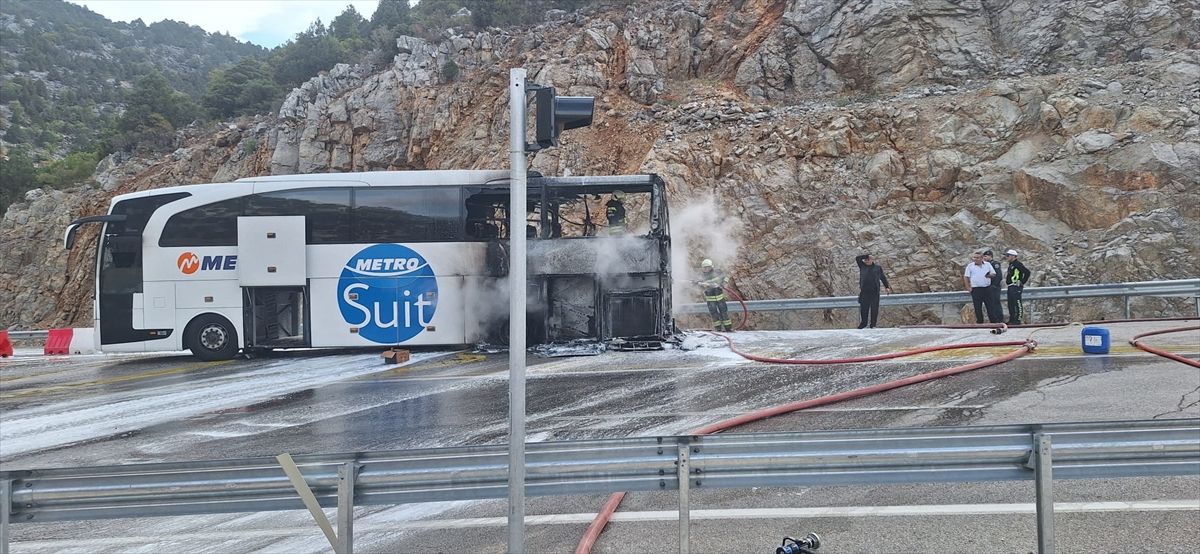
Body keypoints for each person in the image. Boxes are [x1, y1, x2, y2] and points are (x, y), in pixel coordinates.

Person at [855, 253, 892, 329]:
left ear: (872, 260)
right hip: (864, 292)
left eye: (868, 259)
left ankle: (873, 324)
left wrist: (887, 287)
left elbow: (882, 277)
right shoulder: (862, 266)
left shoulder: (877, 268)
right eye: (865, 260)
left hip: (875, 292)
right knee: (864, 308)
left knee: (874, 308)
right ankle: (864, 323)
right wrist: (866, 256)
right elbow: (857, 258)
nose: (866, 261)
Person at [697, 258, 732, 331]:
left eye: (707, 267)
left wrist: (724, 283)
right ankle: (718, 329)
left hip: (720, 298)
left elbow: (726, 276)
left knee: (724, 313)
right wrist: (703, 286)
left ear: (711, 266)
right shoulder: (702, 277)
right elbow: (698, 286)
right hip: (710, 300)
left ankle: (728, 328)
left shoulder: (717, 272)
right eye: (704, 268)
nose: (706, 269)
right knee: (714, 315)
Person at [963, 250, 996, 324]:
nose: (975, 259)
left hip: (987, 288)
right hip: (976, 289)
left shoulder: (987, 264)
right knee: (977, 307)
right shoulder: (970, 266)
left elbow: (993, 274)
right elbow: (966, 277)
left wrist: (989, 275)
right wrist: (968, 287)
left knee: (990, 306)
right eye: (974, 257)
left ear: (981, 258)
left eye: (977, 258)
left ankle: (993, 322)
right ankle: (980, 322)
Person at [1004, 249, 1031, 325]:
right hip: (1010, 286)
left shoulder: (1017, 264)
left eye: (1008, 255)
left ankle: (1018, 319)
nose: (1007, 257)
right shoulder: (1011, 264)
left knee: (1017, 302)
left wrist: (1022, 282)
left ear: (1013, 256)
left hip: (1016, 286)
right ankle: (1012, 319)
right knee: (1011, 304)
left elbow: (1027, 272)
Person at [982, 250, 1004, 323]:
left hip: (994, 287)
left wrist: (994, 285)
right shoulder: (985, 265)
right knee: (990, 304)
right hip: (988, 287)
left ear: (990, 256)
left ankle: (999, 319)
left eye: (986, 256)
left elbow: (998, 276)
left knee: (996, 303)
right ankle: (993, 320)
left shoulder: (995, 264)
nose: (984, 258)